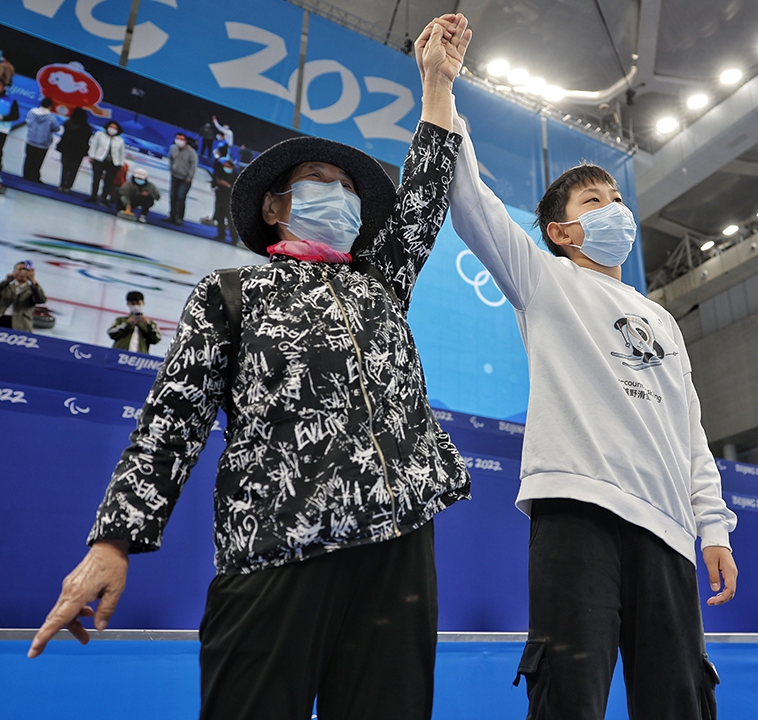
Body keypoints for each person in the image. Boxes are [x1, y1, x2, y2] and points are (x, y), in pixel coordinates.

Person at [28, 15, 474, 720]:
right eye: (318, 179)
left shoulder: (380, 281)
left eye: (348, 186)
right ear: (273, 205)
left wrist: (437, 85)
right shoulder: (230, 293)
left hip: (398, 549)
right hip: (274, 544)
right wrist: (114, 540)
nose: (339, 193)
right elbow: (171, 422)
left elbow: (423, 194)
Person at [443, 46, 739, 719]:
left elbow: (690, 434)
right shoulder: (545, 281)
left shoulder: (663, 320)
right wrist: (443, 90)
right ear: (560, 231)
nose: (614, 209)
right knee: (569, 699)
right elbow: (471, 204)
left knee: (681, 702)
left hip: (669, 529)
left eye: (616, 198)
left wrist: (714, 530)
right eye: (594, 200)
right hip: (578, 511)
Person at [0, 260, 46, 331]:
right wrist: (6, 282)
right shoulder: (5, 286)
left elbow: (41, 300)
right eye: (20, 269)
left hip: (21, 325)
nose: (22, 272)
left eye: (25, 270)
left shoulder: (33, 289)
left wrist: (33, 281)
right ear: (14, 271)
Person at [22, 97, 60, 183]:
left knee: (28, 159)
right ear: (50, 107)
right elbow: (57, 128)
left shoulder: (31, 112)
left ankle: (26, 175)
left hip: (31, 141)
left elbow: (28, 122)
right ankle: (34, 177)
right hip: (43, 144)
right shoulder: (51, 117)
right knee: (38, 162)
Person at [87, 119, 125, 206]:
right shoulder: (99, 135)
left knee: (109, 182)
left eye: (115, 128)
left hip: (113, 163)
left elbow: (121, 153)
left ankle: (103, 198)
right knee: (96, 179)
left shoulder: (120, 140)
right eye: (111, 127)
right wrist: (92, 156)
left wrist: (121, 163)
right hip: (99, 160)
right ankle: (93, 196)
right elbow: (94, 146)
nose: (112, 129)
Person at [56, 108, 92, 192]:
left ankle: (62, 184)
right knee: (74, 169)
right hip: (78, 152)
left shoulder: (67, 123)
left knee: (65, 168)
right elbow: (86, 140)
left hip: (66, 149)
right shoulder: (87, 128)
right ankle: (68, 186)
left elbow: (64, 137)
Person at [167, 132, 197, 224]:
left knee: (180, 197)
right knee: (173, 196)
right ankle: (172, 215)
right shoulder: (173, 148)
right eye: (177, 138)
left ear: (185, 140)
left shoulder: (191, 152)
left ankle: (179, 217)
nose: (178, 141)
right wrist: (171, 169)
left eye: (181, 139)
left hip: (185, 179)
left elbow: (193, 166)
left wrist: (190, 177)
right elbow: (171, 159)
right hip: (175, 176)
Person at [210, 152, 237, 242]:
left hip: (229, 200)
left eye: (227, 166)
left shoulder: (235, 177)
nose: (225, 167)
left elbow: (236, 189)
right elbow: (214, 182)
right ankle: (221, 234)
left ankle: (234, 237)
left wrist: (228, 185)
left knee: (230, 219)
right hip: (219, 197)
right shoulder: (221, 173)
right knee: (220, 216)